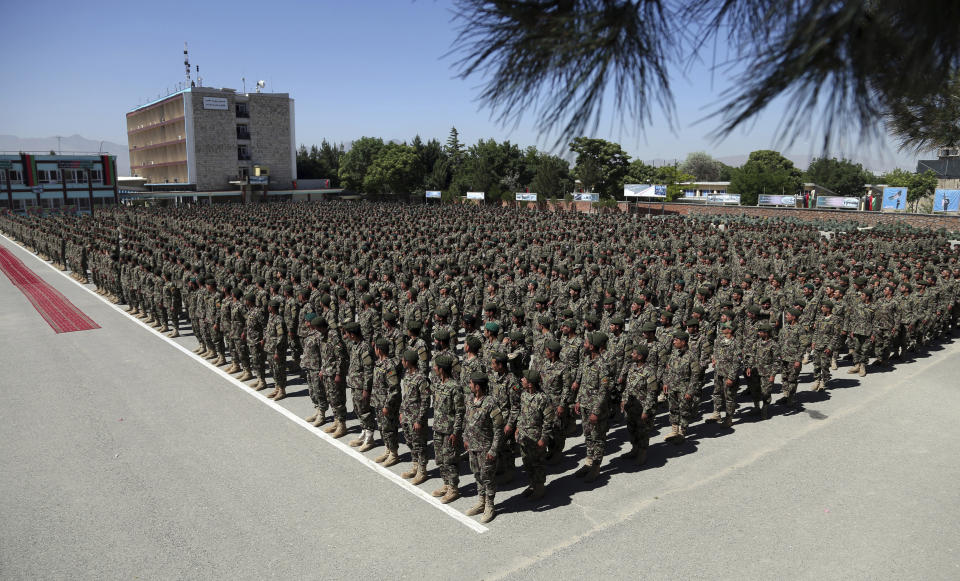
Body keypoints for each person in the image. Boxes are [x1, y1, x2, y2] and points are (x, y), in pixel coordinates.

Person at [463, 372, 505, 523]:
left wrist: (494, 449)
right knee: (477, 475)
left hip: (486, 449)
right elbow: (466, 420)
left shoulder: (490, 403)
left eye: (471, 383)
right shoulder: (469, 399)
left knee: (488, 478)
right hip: (473, 446)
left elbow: (499, 429)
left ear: (478, 386)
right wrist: (465, 438)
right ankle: (481, 501)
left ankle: (490, 505)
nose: (469, 386)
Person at [574, 332, 612, 482]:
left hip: (596, 408)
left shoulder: (603, 365)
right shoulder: (586, 360)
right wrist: (578, 400)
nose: (584, 344)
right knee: (588, 435)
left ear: (593, 346)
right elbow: (583, 383)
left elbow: (603, 391)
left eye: (587, 342)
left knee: (598, 437)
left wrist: (596, 411)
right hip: (584, 404)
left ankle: (596, 466)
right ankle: (589, 462)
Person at [431, 355, 465, 504]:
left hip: (449, 430)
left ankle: (453, 488)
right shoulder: (438, 384)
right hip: (438, 427)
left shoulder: (454, 387)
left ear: (441, 370)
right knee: (440, 459)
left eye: (435, 367)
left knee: (450, 460)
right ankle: (446, 483)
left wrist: (456, 431)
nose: (433, 369)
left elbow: (460, 411)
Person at [516, 369, 552, 499]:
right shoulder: (524, 395)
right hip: (524, 437)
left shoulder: (543, 398)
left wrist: (544, 438)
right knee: (527, 462)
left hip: (536, 438)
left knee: (537, 463)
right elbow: (521, 414)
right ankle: (532, 484)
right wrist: (517, 429)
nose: (522, 380)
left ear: (530, 383)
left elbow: (548, 421)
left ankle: (540, 487)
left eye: (524, 379)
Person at [620, 344, 658, 464]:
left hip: (642, 407)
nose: (632, 355)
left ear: (640, 356)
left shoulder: (649, 371)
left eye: (634, 353)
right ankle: (634, 448)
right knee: (631, 428)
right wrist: (623, 399)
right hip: (631, 406)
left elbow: (652, 393)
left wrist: (646, 411)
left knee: (642, 430)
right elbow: (628, 386)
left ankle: (642, 452)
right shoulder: (632, 367)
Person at [399, 350, 431, 485]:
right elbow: (405, 395)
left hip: (416, 417)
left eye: (403, 360)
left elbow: (425, 401)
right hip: (406, 415)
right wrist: (401, 411)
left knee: (420, 444)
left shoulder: (421, 379)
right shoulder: (407, 375)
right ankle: (415, 465)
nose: (402, 362)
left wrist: (419, 420)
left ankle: (422, 471)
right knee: (410, 441)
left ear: (408, 362)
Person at [371, 338, 401, 466]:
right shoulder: (379, 363)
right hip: (378, 401)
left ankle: (394, 454)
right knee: (382, 428)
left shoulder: (389, 366)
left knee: (389, 429)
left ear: (379, 350)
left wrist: (387, 405)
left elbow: (394, 389)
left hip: (386, 404)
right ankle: (387, 449)